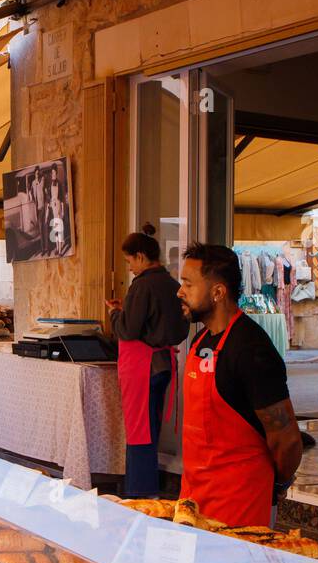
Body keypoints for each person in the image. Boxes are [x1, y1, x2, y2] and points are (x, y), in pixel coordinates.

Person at [176, 243, 302, 528]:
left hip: (240, 509)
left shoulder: (252, 349)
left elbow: (287, 438)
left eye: (188, 284)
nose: (179, 292)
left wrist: (279, 482)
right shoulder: (200, 342)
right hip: (193, 502)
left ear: (218, 292)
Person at [106, 225, 188, 498]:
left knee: (140, 430)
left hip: (143, 368)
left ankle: (140, 492)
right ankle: (147, 489)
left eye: (129, 261)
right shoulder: (174, 285)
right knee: (151, 427)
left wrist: (116, 314)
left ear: (141, 257)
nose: (129, 267)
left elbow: (128, 330)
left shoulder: (142, 285)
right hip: (164, 364)